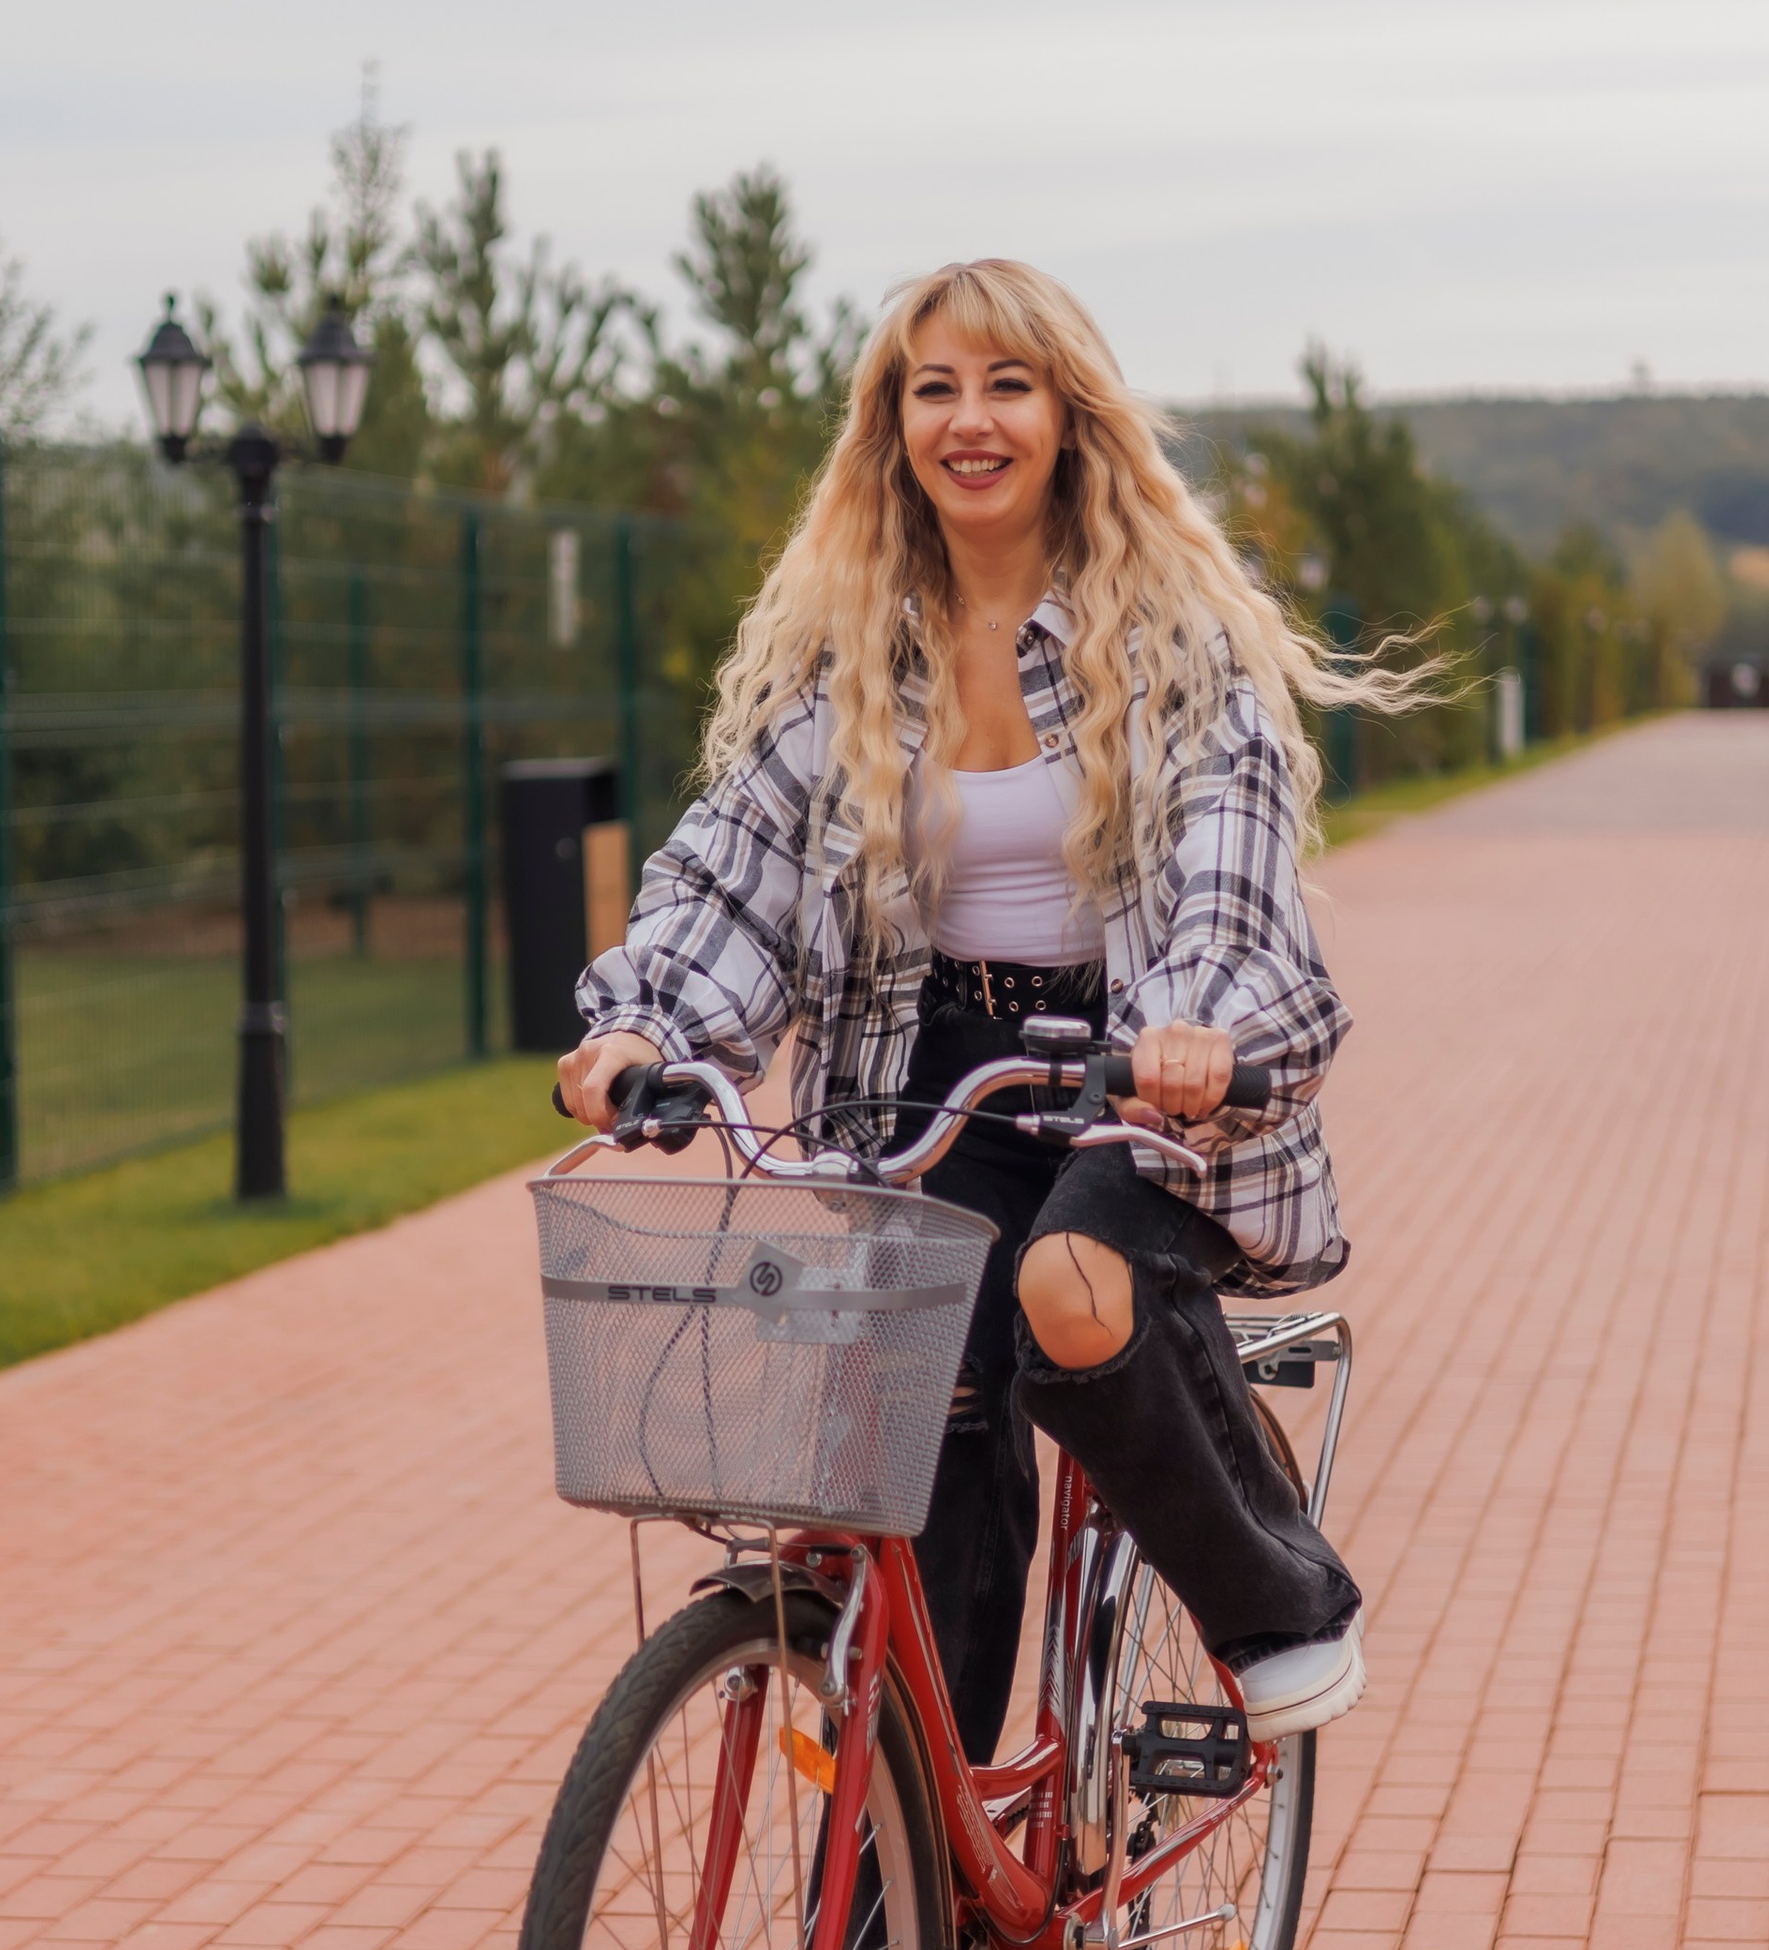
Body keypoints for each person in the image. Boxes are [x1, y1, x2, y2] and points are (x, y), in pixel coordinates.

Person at [562, 246, 1398, 1790]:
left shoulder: (1174, 648)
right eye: (933, 388)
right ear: (893, 428)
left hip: (1128, 1074)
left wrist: (1197, 1030)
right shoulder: (852, 657)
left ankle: (1276, 1599)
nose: (971, 419)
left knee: (1070, 1288)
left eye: (1006, 384)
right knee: (916, 1468)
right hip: (919, 1073)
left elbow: (1229, 864)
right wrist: (647, 1027)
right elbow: (734, 865)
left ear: (1069, 417)